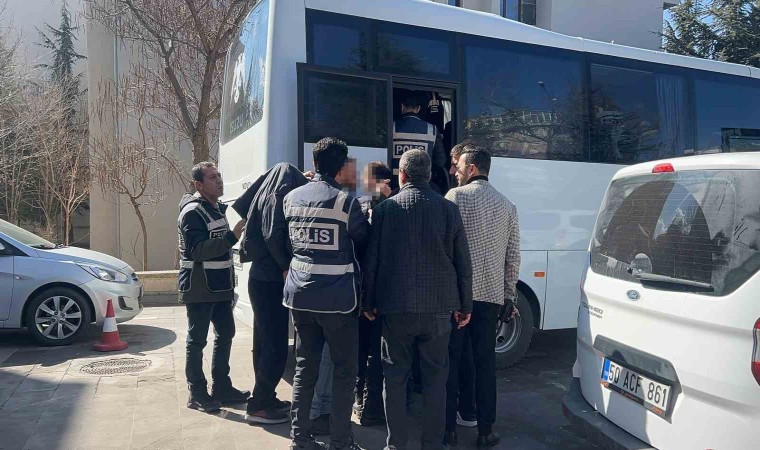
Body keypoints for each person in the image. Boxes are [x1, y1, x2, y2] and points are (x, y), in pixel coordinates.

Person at [363, 149, 473, 450]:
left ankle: (395, 445)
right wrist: (465, 306)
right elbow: (462, 263)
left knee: (394, 378)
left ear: (402, 175)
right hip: (439, 310)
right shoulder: (448, 209)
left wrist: (368, 302)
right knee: (436, 380)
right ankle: (432, 444)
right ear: (429, 175)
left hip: (395, 308)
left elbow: (372, 261)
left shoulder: (385, 210)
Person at [281, 138, 370, 450]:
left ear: (314, 162)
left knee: (305, 368)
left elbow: (285, 242)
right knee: (345, 372)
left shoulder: (290, 198)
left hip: (300, 298)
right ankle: (340, 441)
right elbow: (363, 241)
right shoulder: (345, 202)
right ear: (341, 167)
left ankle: (299, 438)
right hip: (337, 301)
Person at [444, 144, 521, 448]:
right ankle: (485, 431)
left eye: (460, 167)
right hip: (491, 297)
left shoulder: (455, 197)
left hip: (457, 297)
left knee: (451, 361)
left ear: (472, 168)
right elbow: (513, 256)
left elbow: (444, 246)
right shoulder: (508, 205)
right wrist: (509, 295)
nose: (456, 172)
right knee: (485, 364)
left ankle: (448, 431)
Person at [230, 163, 308, 425]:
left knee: (264, 342)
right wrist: (286, 265)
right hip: (272, 279)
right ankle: (260, 405)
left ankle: (265, 397)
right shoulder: (278, 195)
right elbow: (274, 234)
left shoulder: (266, 193)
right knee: (276, 346)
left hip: (260, 279)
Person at [177, 162, 250, 413]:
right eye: (212, 177)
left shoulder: (216, 208)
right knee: (197, 340)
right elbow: (197, 251)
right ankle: (197, 393)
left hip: (220, 286)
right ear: (198, 185)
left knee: (226, 333)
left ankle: (222, 388)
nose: (219, 180)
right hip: (199, 287)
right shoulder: (192, 212)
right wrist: (232, 237)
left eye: (219, 175)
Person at [354, 162, 392, 427]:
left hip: (363, 292)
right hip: (381, 294)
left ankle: (363, 401)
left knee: (364, 350)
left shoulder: (361, 206)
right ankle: (371, 405)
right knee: (377, 353)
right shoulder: (392, 207)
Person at [392, 92, 448, 194]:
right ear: (418, 109)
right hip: (423, 187)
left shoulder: (391, 127)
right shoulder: (432, 130)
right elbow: (440, 161)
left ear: (402, 107)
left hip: (395, 186)